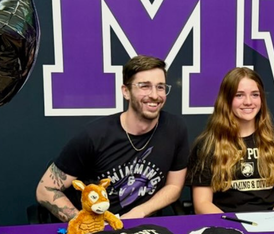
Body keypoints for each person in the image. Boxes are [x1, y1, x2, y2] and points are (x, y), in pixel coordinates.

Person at [36, 55, 189, 222]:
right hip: (97, 231)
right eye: (144, 86)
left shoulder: (175, 128)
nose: (154, 95)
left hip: (141, 229)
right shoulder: (94, 136)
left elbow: (174, 186)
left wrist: (141, 211)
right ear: (126, 91)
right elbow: (45, 189)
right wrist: (84, 224)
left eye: (160, 87)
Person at [188, 67, 274, 213]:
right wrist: (231, 228)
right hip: (225, 225)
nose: (248, 102)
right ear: (226, 100)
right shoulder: (207, 144)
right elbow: (202, 204)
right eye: (239, 95)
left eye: (255, 95)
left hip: (270, 223)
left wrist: (271, 223)